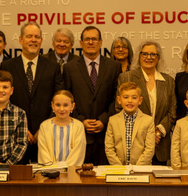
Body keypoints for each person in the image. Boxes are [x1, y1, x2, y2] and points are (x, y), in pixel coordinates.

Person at [1, 21, 63, 162]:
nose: (33, 40)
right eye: (29, 36)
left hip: (47, 135)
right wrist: (22, 128)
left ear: (41, 40)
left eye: (37, 37)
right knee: (17, 180)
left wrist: (45, 126)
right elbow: (4, 100)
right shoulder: (7, 66)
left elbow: (58, 99)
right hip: (14, 137)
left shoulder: (52, 67)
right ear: (21, 40)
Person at [64, 26, 122, 165]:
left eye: (94, 39)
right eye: (87, 39)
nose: (91, 42)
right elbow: (66, 99)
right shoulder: (69, 68)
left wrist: (104, 119)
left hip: (107, 137)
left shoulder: (114, 66)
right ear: (81, 43)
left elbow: (117, 98)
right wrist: (80, 120)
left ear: (101, 42)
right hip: (78, 136)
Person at [118, 41, 176, 165]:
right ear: (139, 56)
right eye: (145, 54)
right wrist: (145, 134)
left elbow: (172, 111)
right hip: (134, 144)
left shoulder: (168, 81)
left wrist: (158, 133)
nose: (148, 57)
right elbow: (120, 109)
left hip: (160, 145)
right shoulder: (126, 78)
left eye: (153, 54)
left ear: (158, 58)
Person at [105, 82, 155, 165]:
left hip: (141, 169)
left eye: (134, 98)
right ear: (119, 100)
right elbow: (109, 148)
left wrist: (137, 168)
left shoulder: (148, 121)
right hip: (119, 170)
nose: (130, 101)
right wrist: (119, 168)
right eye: (125, 97)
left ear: (140, 100)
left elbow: (149, 149)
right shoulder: (113, 121)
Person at [37, 90, 86, 167]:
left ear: (72, 106)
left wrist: (65, 168)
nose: (61, 109)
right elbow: (43, 153)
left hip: (72, 173)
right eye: (58, 105)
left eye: (65, 105)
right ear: (52, 106)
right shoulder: (44, 126)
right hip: (50, 173)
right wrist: (52, 169)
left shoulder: (78, 126)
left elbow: (78, 153)